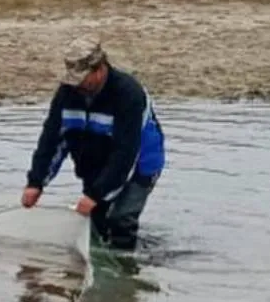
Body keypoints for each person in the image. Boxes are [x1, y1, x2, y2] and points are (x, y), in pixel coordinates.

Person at [22, 37, 167, 251]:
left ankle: (125, 265)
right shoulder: (67, 93)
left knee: (121, 219)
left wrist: (95, 195)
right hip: (94, 162)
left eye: (82, 78)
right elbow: (52, 139)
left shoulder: (129, 94)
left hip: (140, 164)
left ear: (99, 69)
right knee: (96, 223)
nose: (77, 85)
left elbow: (126, 154)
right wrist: (36, 182)